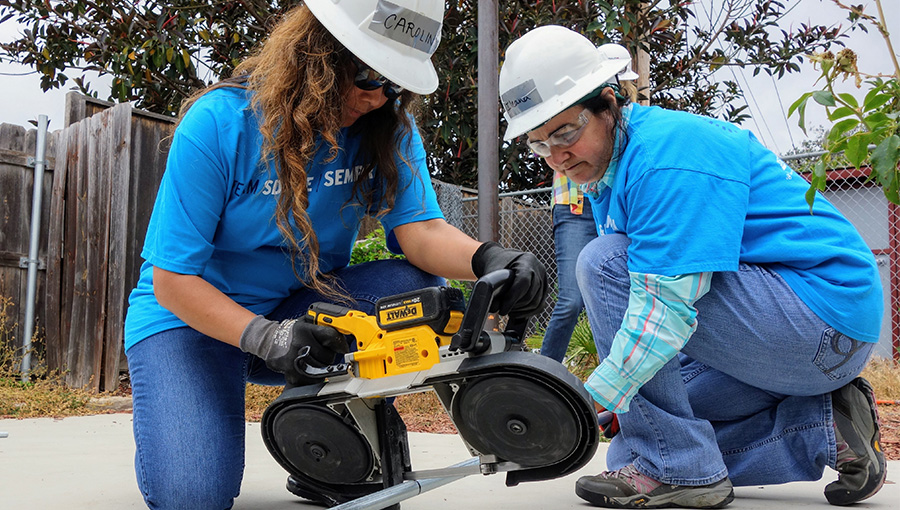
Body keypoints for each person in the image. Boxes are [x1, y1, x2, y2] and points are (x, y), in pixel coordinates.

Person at [123, 2, 548, 509]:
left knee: (415, 290)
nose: (377, 98)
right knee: (192, 496)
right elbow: (173, 281)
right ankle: (224, 406)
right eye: (368, 76)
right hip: (190, 322)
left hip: (306, 319)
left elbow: (421, 232)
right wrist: (266, 336)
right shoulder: (219, 123)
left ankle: (334, 451)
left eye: (393, 84)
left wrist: (490, 259)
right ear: (318, 52)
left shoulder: (387, 129)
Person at [499, 25, 886, 509]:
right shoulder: (609, 170)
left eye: (565, 132)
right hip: (792, 332)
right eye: (538, 144)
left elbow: (662, 309)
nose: (556, 156)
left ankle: (681, 471)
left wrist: (588, 397)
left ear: (608, 102)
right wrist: (624, 405)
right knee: (657, 426)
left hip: (820, 319)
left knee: (603, 266)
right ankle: (824, 426)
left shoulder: (667, 158)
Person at [541, 52, 637, 364]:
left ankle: (614, 366)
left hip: (609, 198)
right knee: (571, 299)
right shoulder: (572, 107)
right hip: (572, 207)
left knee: (618, 290)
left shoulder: (634, 130)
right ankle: (544, 372)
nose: (556, 156)